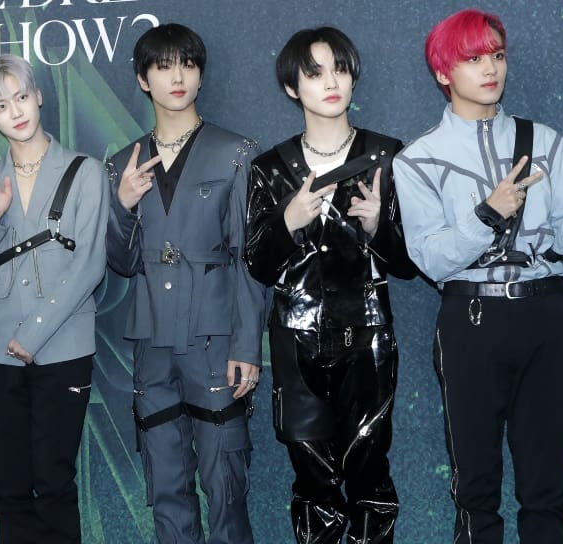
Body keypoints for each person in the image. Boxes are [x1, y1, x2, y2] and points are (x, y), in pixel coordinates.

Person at [393, 8, 563, 543]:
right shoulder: (418, 159)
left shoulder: (545, 141)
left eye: (496, 55)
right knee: (475, 482)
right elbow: (430, 258)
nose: (490, 68)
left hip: (546, 313)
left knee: (546, 478)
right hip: (471, 318)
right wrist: (488, 215)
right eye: (473, 59)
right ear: (443, 72)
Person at [243, 27, 417, 544]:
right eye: (315, 73)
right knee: (312, 477)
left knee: (369, 470)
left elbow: (410, 263)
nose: (331, 82)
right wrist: (288, 221)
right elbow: (257, 264)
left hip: (367, 335)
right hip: (295, 337)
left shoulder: (386, 156)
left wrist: (377, 227)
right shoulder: (270, 168)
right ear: (292, 87)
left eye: (340, 69)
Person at [106, 23, 264, 543]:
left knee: (225, 482)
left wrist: (247, 346)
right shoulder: (122, 164)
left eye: (188, 65)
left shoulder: (236, 152)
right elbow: (122, 263)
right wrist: (122, 206)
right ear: (143, 79)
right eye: (163, 66)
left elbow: (249, 258)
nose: (177, 77)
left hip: (215, 339)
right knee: (165, 482)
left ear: (200, 74)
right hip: (152, 342)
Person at [0, 54, 108, 544]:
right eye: (1, 106)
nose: (16, 111)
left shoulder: (86, 172)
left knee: (55, 484)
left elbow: (89, 265)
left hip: (64, 349)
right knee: (10, 489)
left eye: (21, 97)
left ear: (39, 96)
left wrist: (33, 334)